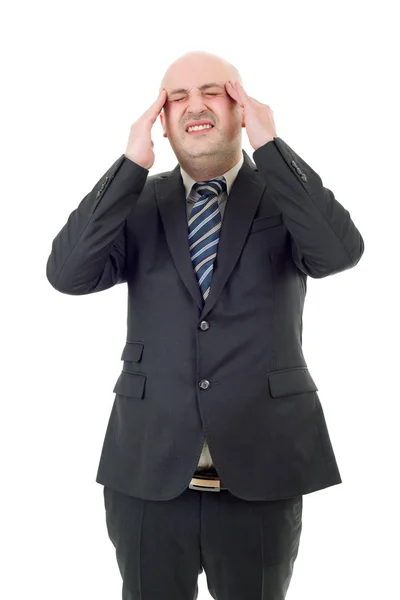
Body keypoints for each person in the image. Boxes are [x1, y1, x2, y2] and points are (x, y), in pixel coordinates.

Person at [46, 50, 365, 600]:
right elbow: (68, 274)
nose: (194, 105)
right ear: (162, 123)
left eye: (213, 91)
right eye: (176, 97)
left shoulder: (284, 199)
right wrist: (129, 165)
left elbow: (339, 252)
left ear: (242, 108)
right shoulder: (137, 203)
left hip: (262, 471)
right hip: (149, 473)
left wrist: (271, 147)